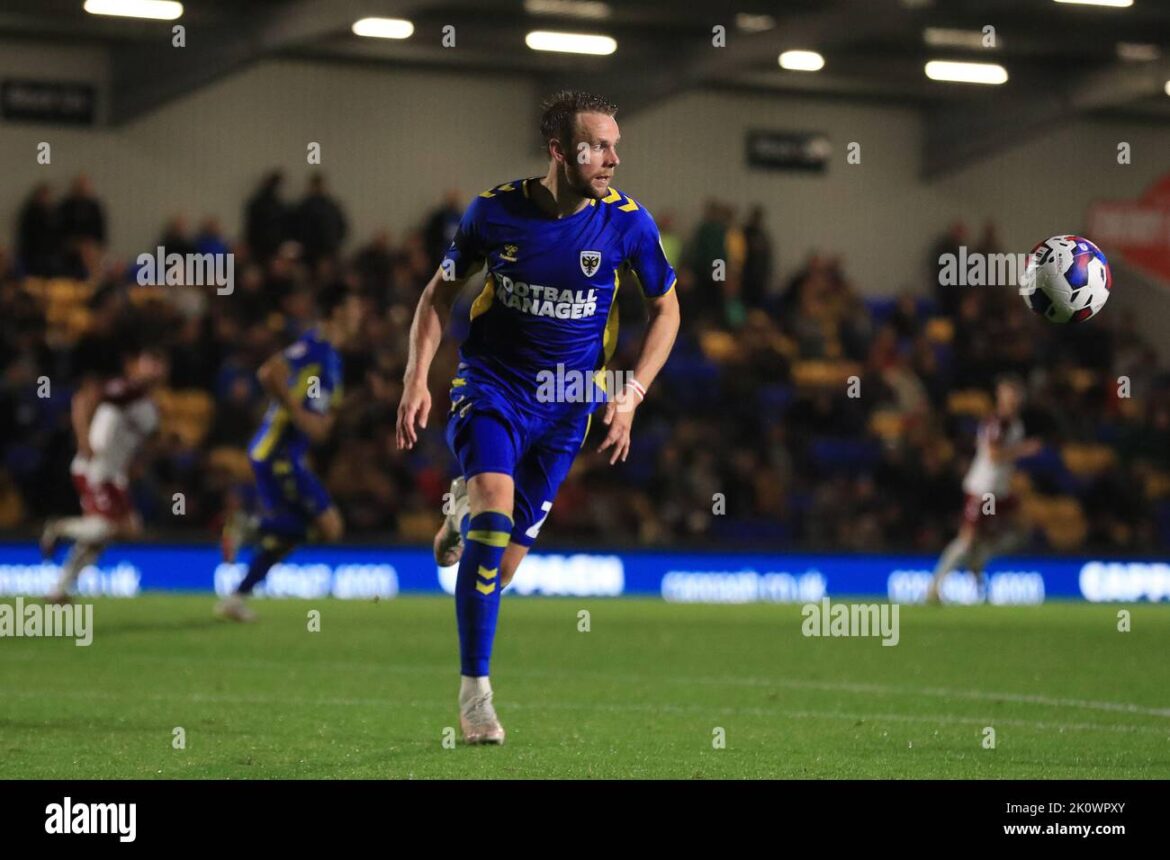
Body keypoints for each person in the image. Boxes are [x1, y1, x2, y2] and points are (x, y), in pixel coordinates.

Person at [396, 90, 681, 744]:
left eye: (615, 145)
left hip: (566, 409)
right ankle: (475, 696)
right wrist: (417, 377)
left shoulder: (628, 223)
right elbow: (438, 296)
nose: (613, 158)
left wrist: (633, 391)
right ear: (559, 151)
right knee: (494, 518)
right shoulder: (494, 214)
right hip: (492, 386)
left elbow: (667, 309)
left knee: (497, 568)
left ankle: (456, 521)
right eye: (598, 146)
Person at [215, 284, 363, 621]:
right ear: (338, 311)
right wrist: (299, 414)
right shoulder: (315, 345)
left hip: (287, 454)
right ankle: (246, 526)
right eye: (354, 307)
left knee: (289, 533)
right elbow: (269, 372)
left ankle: (236, 597)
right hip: (278, 452)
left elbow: (321, 414)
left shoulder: (333, 358)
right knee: (329, 527)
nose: (360, 315)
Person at [41, 344, 167, 603]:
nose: (156, 368)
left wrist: (138, 463)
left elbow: (148, 442)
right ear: (136, 364)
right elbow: (82, 399)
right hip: (95, 468)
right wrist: (84, 439)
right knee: (108, 527)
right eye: (150, 361)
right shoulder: (123, 389)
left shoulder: (149, 408)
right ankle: (58, 528)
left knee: (115, 532)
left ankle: (60, 589)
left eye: (160, 363)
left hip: (114, 474)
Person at [927, 375, 1042, 604]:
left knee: (1022, 528)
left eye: (1016, 394)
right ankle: (935, 587)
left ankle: (978, 566)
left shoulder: (1016, 424)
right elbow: (993, 455)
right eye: (1009, 393)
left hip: (1000, 491)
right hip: (984, 490)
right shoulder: (996, 423)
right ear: (1000, 396)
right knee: (968, 539)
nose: (1013, 399)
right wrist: (1024, 450)